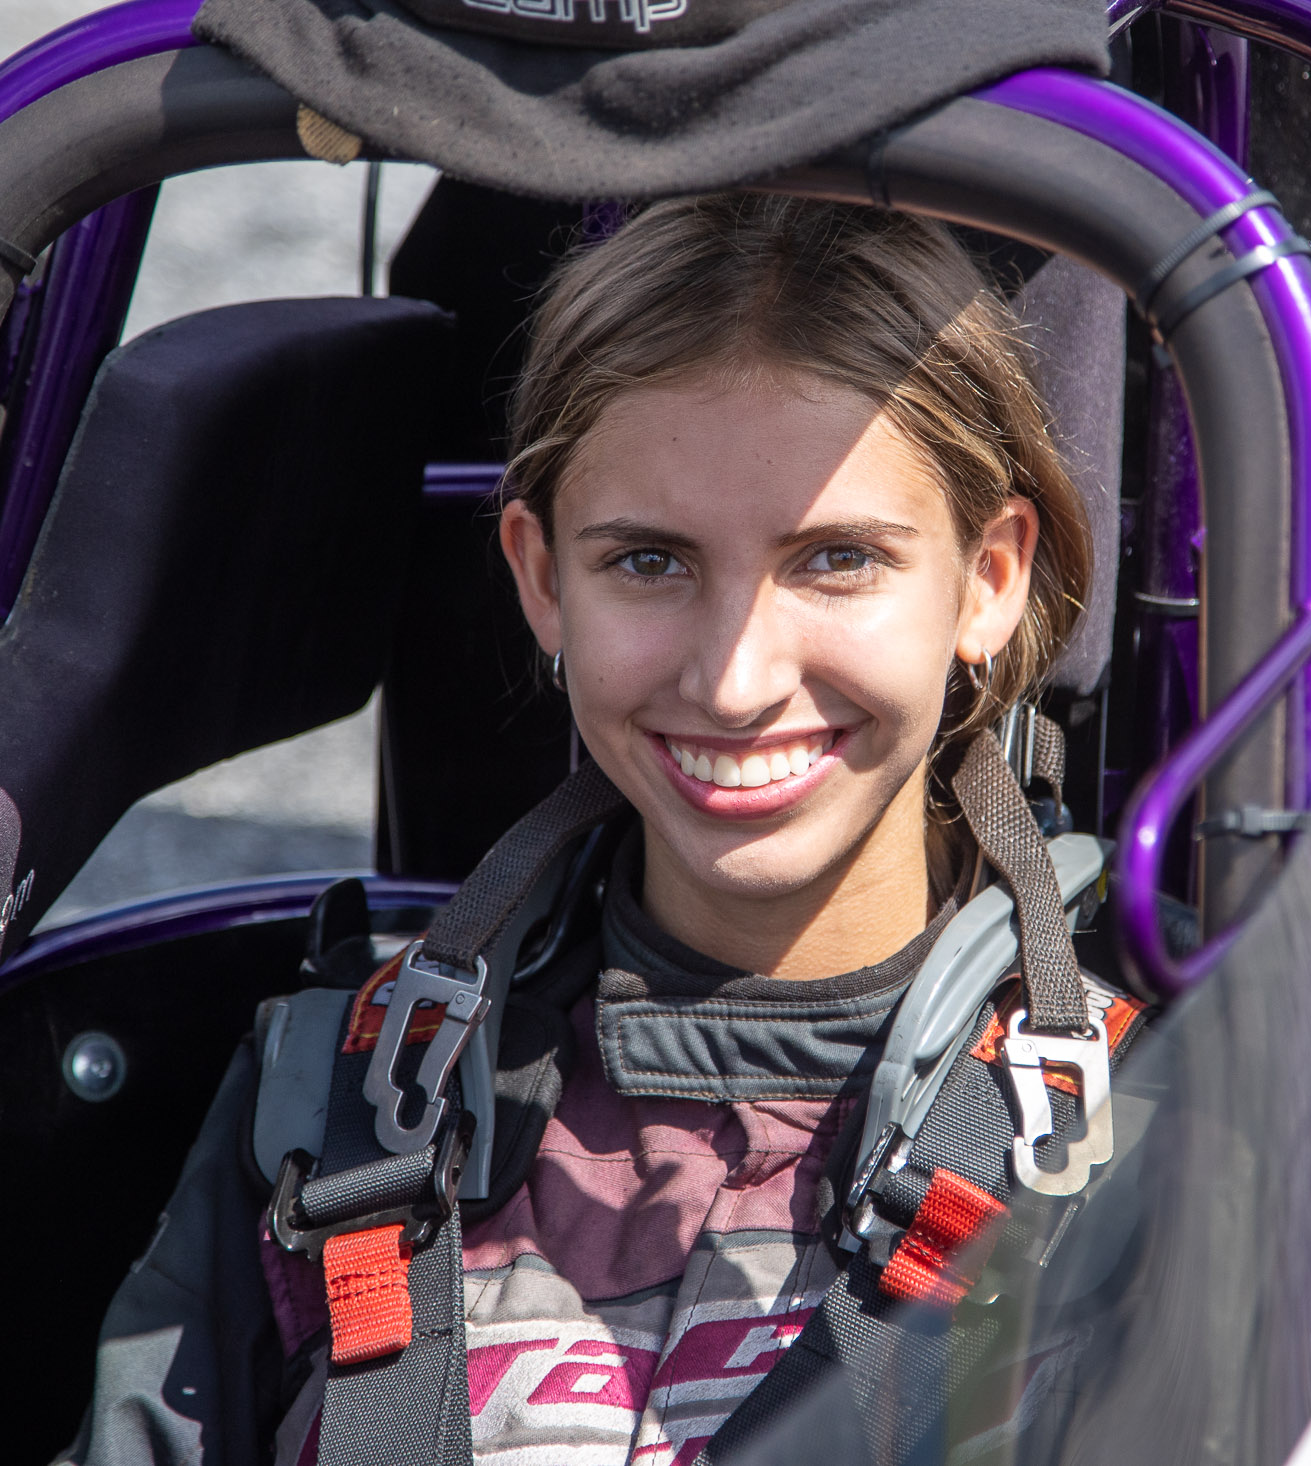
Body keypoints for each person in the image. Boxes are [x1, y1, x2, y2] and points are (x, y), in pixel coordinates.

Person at [60, 192, 1123, 1466]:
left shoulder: (1155, 1141)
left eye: (836, 558)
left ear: (990, 576)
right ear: (541, 575)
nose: (735, 681)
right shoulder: (338, 1111)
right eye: (651, 561)